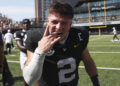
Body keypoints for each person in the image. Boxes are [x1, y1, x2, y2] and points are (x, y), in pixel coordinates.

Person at [23, 1, 100, 86]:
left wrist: (96, 83)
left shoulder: (79, 35)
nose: (58, 27)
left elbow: (88, 61)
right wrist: (40, 51)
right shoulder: (35, 37)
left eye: (64, 23)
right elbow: (29, 80)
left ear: (70, 24)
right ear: (48, 21)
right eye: (54, 22)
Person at [14, 19, 31, 86]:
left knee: (37, 73)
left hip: (33, 54)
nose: (26, 25)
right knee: (25, 73)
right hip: (24, 55)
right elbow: (20, 47)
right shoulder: (18, 33)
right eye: (24, 23)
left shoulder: (33, 32)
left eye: (27, 23)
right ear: (22, 25)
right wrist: (33, 49)